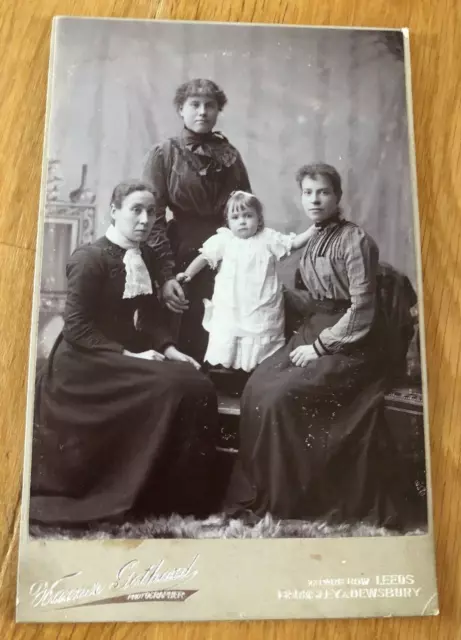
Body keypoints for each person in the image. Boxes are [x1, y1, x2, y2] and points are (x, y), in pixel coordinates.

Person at [225, 163, 410, 530]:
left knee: (282, 396)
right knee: (258, 386)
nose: (315, 199)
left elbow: (362, 309)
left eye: (323, 192)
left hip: (355, 341)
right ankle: (266, 491)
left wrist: (321, 347)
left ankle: (291, 499)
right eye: (308, 192)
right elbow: (315, 299)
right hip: (315, 328)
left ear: (337, 197)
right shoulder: (314, 237)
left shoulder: (355, 240)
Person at [30, 180, 220, 527]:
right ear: (114, 211)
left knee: (194, 381)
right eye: (136, 210)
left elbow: (147, 317)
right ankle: (130, 490)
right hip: (83, 363)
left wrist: (170, 349)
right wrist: (131, 357)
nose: (145, 219)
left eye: (152, 212)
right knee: (174, 388)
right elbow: (76, 328)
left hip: (123, 355)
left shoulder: (144, 255)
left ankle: (172, 497)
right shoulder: (89, 259)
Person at [143, 78, 252, 362]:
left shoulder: (230, 156)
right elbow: (153, 217)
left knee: (219, 329)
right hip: (179, 249)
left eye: (210, 106)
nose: (203, 112)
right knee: (181, 323)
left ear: (218, 111)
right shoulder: (164, 154)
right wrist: (165, 275)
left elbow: (246, 211)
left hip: (225, 252)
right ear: (181, 109)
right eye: (195, 105)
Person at [176, 190, 315, 373]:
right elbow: (204, 257)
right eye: (235, 217)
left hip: (260, 300)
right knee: (229, 330)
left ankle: (257, 370)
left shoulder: (267, 238)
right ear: (228, 221)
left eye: (248, 215)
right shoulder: (224, 240)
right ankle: (227, 369)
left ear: (259, 219)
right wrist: (188, 274)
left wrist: (313, 229)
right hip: (231, 301)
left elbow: (294, 243)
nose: (242, 221)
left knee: (260, 330)